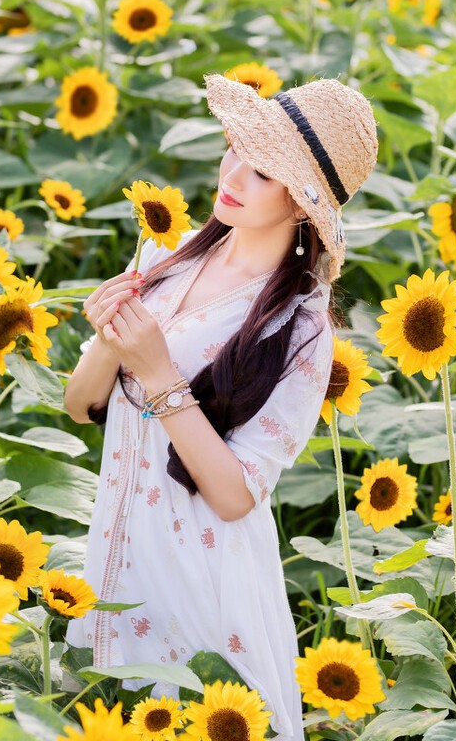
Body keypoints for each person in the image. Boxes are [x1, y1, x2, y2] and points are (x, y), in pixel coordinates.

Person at [63, 72, 379, 739]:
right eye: (234, 148)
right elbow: (83, 404)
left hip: (196, 576)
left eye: (262, 171)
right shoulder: (167, 254)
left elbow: (236, 495)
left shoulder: (298, 330)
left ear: (302, 205)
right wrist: (109, 333)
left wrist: (159, 374)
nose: (232, 173)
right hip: (115, 555)